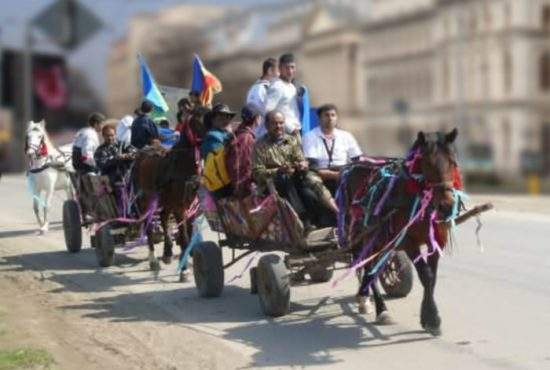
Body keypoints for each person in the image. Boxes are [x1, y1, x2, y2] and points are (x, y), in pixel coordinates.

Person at [252, 110, 337, 229]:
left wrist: (302, 164)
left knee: (309, 188)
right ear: (267, 125)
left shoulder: (291, 140)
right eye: (275, 123)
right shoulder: (260, 145)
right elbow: (257, 173)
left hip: (293, 178)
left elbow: (300, 158)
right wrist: (278, 170)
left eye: (281, 123)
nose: (279, 126)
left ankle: (325, 218)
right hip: (272, 183)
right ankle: (304, 220)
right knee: (285, 179)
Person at [302, 104, 363, 194]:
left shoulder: (346, 136)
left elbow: (357, 159)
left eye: (333, 115)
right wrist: (335, 175)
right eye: (326, 115)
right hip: (321, 173)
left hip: (343, 172)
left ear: (337, 118)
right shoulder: (310, 136)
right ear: (319, 118)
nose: (330, 118)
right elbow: (312, 165)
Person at [225, 103, 262, 198]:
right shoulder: (247, 138)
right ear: (257, 118)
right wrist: (245, 186)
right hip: (243, 187)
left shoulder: (238, 132)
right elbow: (244, 164)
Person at [262, 53, 304, 136]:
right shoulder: (277, 86)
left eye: (292, 67)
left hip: (296, 131)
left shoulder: (292, 86)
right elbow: (268, 112)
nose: (290, 71)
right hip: (284, 134)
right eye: (287, 68)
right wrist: (290, 128)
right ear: (280, 69)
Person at [200, 103, 236, 198]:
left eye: (227, 117)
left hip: (230, 179)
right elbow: (221, 159)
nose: (225, 120)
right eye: (220, 117)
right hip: (221, 184)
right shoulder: (212, 136)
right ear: (213, 120)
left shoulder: (228, 134)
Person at [246, 57, 278, 135]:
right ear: (270, 71)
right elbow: (257, 111)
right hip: (261, 136)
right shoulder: (259, 89)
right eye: (279, 71)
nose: (280, 75)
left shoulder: (269, 88)